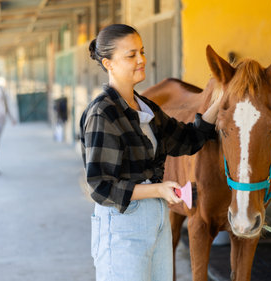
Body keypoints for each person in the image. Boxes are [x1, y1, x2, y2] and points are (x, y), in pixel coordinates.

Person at [80, 24, 222, 281]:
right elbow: (100, 187)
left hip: (157, 218)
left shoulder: (147, 108)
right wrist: (158, 189)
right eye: (131, 55)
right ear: (108, 63)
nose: (142, 60)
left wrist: (221, 101)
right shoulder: (103, 113)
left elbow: (188, 139)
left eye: (142, 52)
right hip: (122, 222)